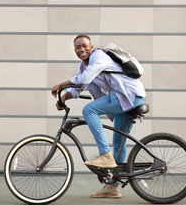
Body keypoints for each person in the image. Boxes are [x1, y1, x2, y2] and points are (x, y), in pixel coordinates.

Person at [51, 34, 146, 198]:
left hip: (129, 95)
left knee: (89, 110)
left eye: (84, 45)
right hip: (125, 98)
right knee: (118, 140)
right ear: (74, 50)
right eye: (77, 47)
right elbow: (79, 86)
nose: (81, 49)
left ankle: (105, 155)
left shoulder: (98, 56)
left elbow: (85, 78)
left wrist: (61, 85)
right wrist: (63, 98)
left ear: (91, 46)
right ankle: (113, 187)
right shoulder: (83, 65)